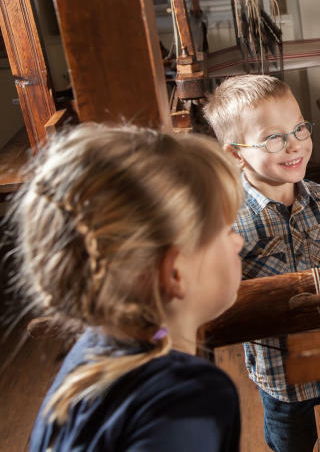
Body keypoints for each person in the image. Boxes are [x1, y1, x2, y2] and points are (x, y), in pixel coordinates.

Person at [18, 124, 244, 451]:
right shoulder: (189, 398)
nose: (238, 242)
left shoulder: (91, 352)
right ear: (175, 273)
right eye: (227, 230)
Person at [204, 74, 320, 452]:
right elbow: (218, 307)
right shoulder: (228, 222)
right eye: (274, 137)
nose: (294, 145)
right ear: (235, 154)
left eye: (299, 129)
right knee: (289, 446)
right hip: (284, 382)